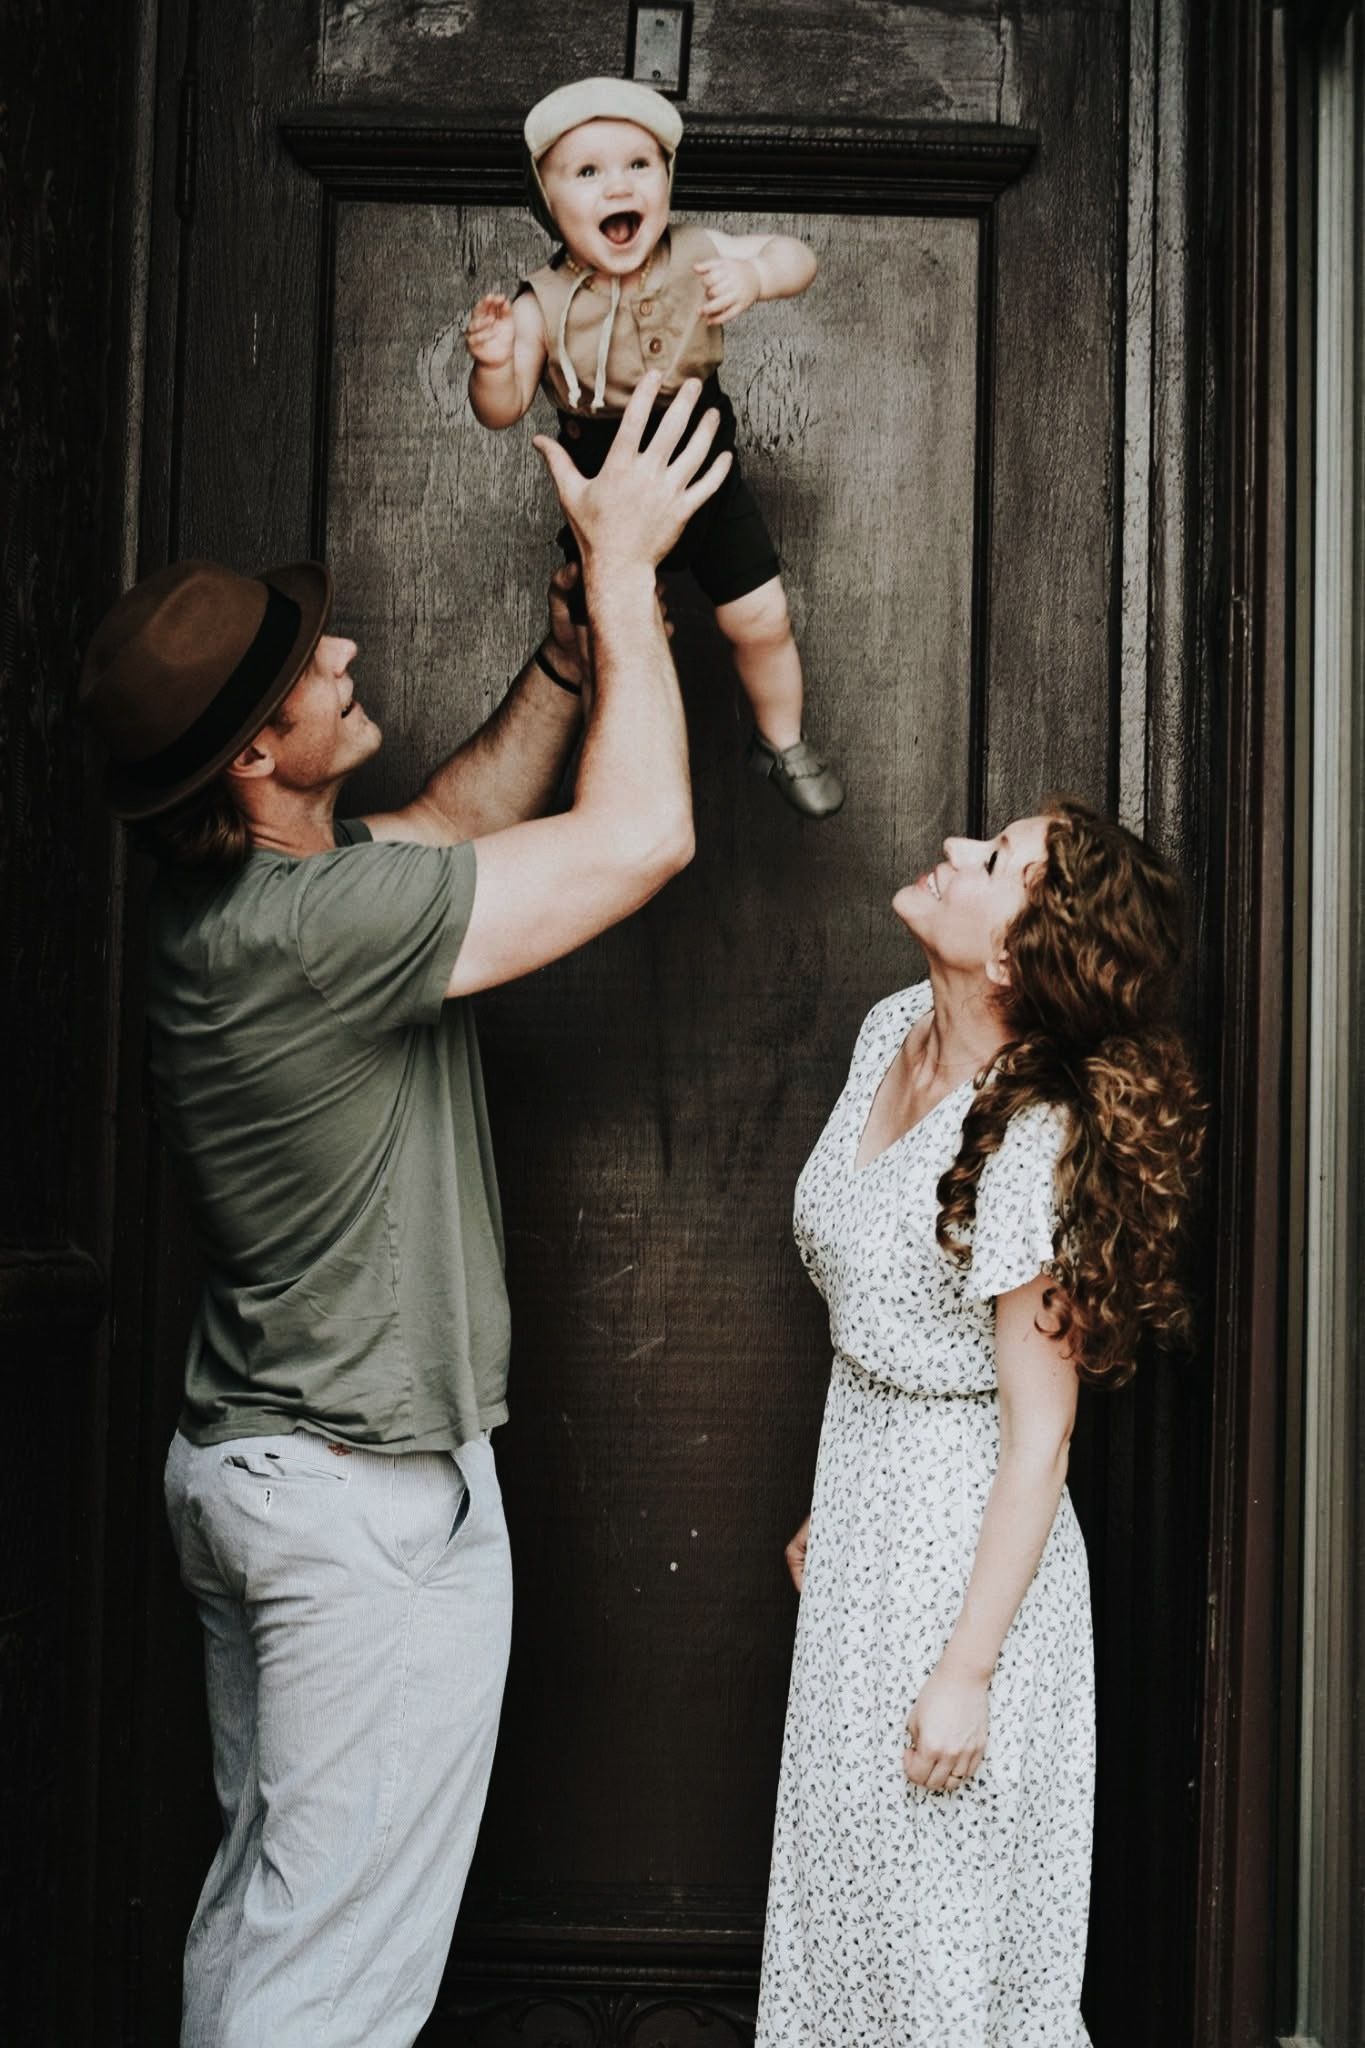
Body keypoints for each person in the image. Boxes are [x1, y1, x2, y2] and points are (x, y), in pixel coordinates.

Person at [78, 373, 729, 2048]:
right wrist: (629, 569)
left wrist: (569, 663)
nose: (346, 654)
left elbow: (443, 829)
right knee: (329, 1991)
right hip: (356, 1514)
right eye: (309, 668)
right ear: (253, 758)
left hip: (258, 1473)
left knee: (269, 1926)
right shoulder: (313, 934)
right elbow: (642, 835)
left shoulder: (255, 902)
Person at [756, 800, 1204, 2046]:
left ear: (1016, 953)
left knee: (939, 1959)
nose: (956, 851)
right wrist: (841, 1501)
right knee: (844, 1936)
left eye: (996, 860)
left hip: (967, 1581)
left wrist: (967, 1673)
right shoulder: (889, 1030)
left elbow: (1039, 1437)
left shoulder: (1032, 1135)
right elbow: (879, 1302)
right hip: (863, 1548)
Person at [465, 75, 844, 820]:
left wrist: (757, 274)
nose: (619, 185)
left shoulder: (696, 251)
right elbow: (501, 410)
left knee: (761, 617)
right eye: (587, 171)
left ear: (668, 179)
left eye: (640, 164)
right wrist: (494, 362)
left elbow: (796, 256)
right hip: (607, 499)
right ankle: (613, 779)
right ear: (547, 202)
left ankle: (781, 739)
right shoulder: (539, 301)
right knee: (610, 643)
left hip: (706, 472)